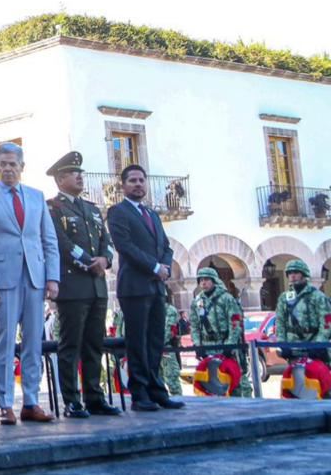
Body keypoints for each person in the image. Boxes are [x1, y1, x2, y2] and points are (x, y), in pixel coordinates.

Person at [0, 142, 60, 425]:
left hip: (34, 276)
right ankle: (5, 404)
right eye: (3, 164)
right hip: (3, 279)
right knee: (5, 343)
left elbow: (49, 240)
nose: (8, 168)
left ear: (22, 166)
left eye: (13, 164)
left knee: (34, 342)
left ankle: (31, 402)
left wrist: (53, 277)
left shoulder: (36, 197)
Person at [44, 151, 120, 419]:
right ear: (60, 178)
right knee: (70, 345)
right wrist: (89, 261)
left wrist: (105, 260)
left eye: (80, 172)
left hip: (97, 286)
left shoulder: (92, 209)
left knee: (94, 345)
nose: (79, 176)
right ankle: (72, 399)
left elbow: (106, 241)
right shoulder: (53, 208)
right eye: (73, 173)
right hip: (74, 285)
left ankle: (94, 397)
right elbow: (61, 243)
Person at [106, 164, 184, 411]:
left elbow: (166, 246)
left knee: (154, 341)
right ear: (124, 185)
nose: (138, 184)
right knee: (137, 342)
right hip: (135, 286)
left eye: (141, 180)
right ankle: (139, 393)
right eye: (132, 180)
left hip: (156, 287)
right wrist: (154, 267)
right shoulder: (118, 212)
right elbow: (125, 246)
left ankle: (157, 389)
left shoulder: (153, 215)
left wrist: (166, 266)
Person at [189, 267, 250, 397]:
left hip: (225, 344)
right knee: (211, 382)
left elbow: (235, 322)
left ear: (214, 280)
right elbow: (194, 325)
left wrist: (230, 345)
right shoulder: (197, 302)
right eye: (200, 280)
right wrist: (197, 344)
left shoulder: (226, 298)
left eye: (206, 279)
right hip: (207, 345)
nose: (203, 283)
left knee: (234, 380)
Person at [275, 259, 331, 363]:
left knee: (317, 377)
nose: (292, 276)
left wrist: (318, 344)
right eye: (290, 273)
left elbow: (327, 323)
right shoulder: (285, 298)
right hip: (293, 347)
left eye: (296, 272)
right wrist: (282, 344)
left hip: (314, 345)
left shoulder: (317, 296)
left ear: (304, 274)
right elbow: (280, 323)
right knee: (293, 378)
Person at [161, 295, 184, 396]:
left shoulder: (170, 310)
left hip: (166, 347)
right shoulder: (149, 308)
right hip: (154, 349)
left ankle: (178, 399)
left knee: (172, 379)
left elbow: (169, 330)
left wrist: (156, 343)